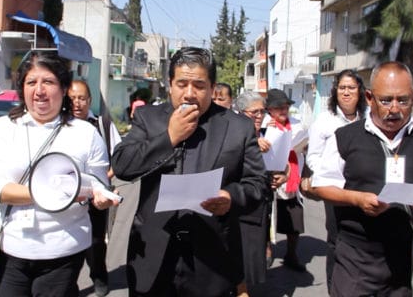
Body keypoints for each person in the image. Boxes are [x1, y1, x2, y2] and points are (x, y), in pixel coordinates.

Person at [111, 47, 269, 297]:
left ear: (212, 87)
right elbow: (122, 165)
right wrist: (169, 138)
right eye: (182, 83)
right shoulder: (148, 118)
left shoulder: (239, 127)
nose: (189, 93)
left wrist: (230, 197)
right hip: (153, 254)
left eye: (199, 85)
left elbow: (258, 183)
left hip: (212, 258)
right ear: (170, 84)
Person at [312, 61, 413, 296]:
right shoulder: (345, 138)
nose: (394, 108)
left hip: (408, 253)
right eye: (386, 100)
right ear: (370, 98)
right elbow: (322, 184)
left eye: (402, 100)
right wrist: (357, 199)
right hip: (357, 256)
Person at [0, 51, 119, 297]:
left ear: (64, 88)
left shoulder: (85, 134)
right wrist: (54, 193)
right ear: (22, 87)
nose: (40, 91)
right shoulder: (3, 129)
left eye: (49, 82)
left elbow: (97, 185)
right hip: (12, 250)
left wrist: (101, 198)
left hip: (64, 252)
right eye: (31, 82)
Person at [305, 69, 367, 293]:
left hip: (362, 188)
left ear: (360, 91)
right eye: (342, 88)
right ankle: (335, 287)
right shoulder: (324, 121)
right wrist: (330, 175)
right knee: (337, 239)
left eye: (351, 88)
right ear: (335, 91)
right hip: (334, 190)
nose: (347, 92)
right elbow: (312, 157)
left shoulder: (368, 119)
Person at [68, 80, 122, 297]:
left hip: (96, 196)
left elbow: (118, 157)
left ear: (89, 100)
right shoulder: (59, 125)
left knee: (96, 241)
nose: (77, 103)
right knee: (68, 240)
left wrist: (102, 180)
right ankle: (68, 282)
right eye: (72, 98)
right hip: (67, 197)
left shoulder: (102, 124)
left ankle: (99, 277)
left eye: (81, 98)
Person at [263, 88, 308, 272]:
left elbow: (305, 146)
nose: (283, 110)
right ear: (270, 110)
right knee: (267, 217)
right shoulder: (265, 125)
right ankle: (266, 250)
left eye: (286, 107)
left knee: (294, 220)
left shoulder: (297, 124)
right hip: (272, 177)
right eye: (278, 107)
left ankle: (291, 254)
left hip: (292, 178)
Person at [234, 91, 271, 297]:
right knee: (241, 251)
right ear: (241, 113)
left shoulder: (266, 134)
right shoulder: (234, 133)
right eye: (254, 112)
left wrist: (282, 174)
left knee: (254, 251)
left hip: (262, 202)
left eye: (262, 112)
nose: (259, 116)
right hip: (241, 202)